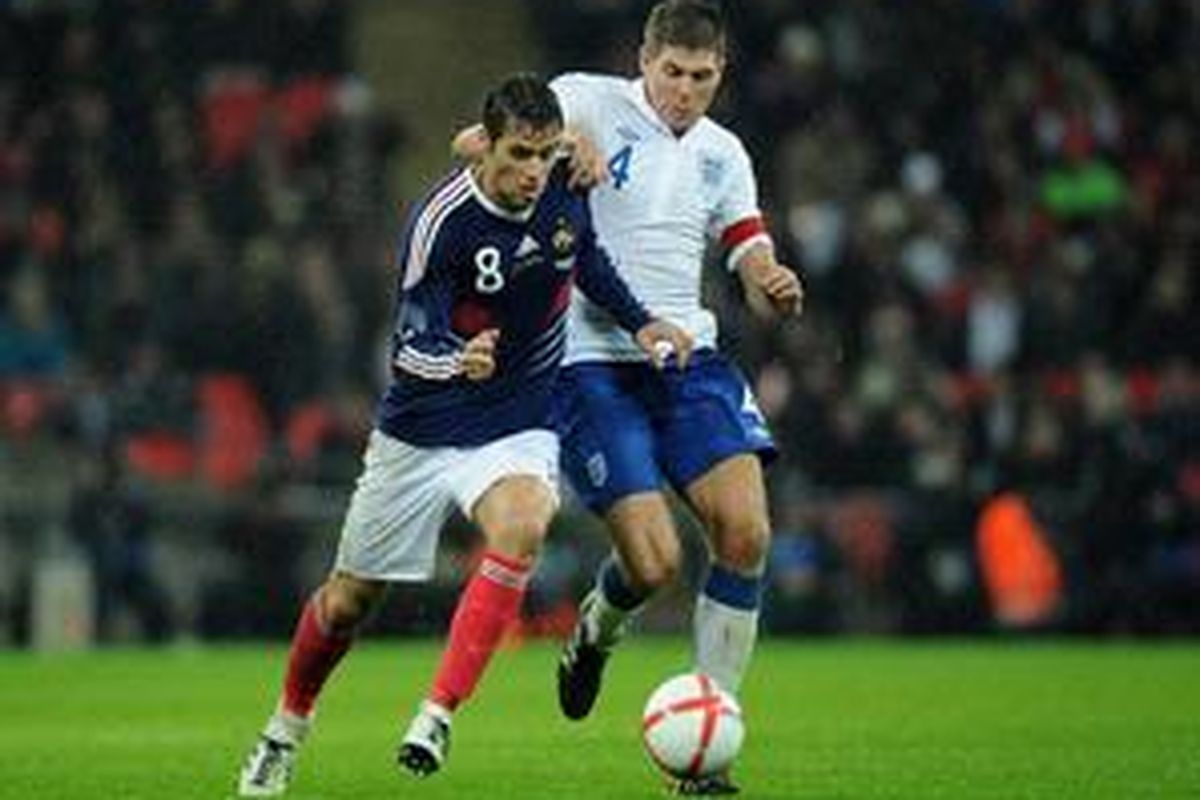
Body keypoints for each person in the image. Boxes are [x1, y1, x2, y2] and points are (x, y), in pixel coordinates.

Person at [235, 73, 693, 797]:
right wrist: (456, 355)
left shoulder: (563, 184)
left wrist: (643, 321)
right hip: (421, 428)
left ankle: (437, 713)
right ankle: (285, 729)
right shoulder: (441, 219)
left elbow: (587, 261)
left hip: (517, 422)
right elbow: (409, 338)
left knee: (523, 524)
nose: (532, 172)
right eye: (518, 154)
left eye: (545, 154)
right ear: (484, 147)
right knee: (350, 601)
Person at [456, 2, 802, 795]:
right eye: (672, 73)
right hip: (586, 361)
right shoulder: (581, 98)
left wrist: (767, 282)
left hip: (687, 356)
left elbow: (748, 245)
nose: (684, 91)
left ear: (722, 72)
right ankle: (594, 633)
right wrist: (553, 148)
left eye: (702, 77)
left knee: (746, 532)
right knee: (653, 564)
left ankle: (708, 753)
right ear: (643, 60)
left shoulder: (724, 152)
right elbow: (472, 143)